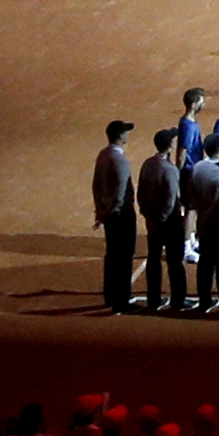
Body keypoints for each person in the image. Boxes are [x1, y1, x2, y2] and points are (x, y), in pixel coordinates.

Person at [182, 134, 219, 315]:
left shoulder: (197, 168)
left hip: (203, 224)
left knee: (205, 264)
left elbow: (191, 197)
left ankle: (204, 300)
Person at [134, 127, 186, 313]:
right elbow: (171, 199)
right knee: (175, 262)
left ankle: (153, 299)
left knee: (153, 259)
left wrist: (149, 217)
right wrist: (162, 220)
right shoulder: (170, 169)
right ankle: (178, 301)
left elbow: (140, 193)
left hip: (152, 221)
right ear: (170, 146)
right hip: (169, 222)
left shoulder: (147, 164)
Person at [91, 119, 140, 313]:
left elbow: (95, 185)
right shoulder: (120, 160)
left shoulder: (102, 155)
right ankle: (121, 300)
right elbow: (120, 191)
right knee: (123, 257)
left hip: (109, 214)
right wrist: (109, 210)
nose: (128, 135)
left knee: (112, 256)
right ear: (120, 136)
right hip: (121, 215)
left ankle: (110, 296)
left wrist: (100, 211)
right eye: (126, 132)